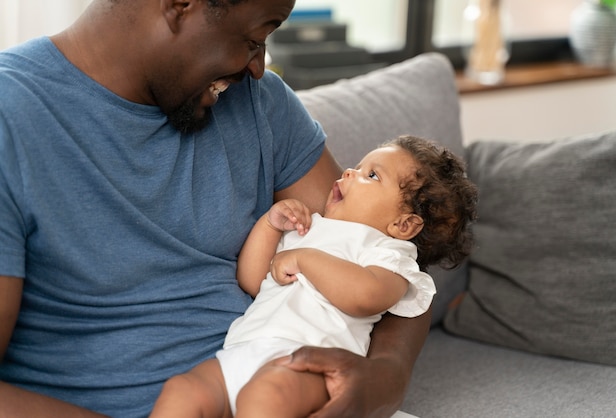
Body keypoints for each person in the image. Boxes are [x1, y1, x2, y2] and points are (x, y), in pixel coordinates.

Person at [0, 1, 438, 417]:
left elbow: (383, 251)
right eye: (252, 40)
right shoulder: (13, 117)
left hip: (277, 387)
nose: (258, 67)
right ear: (180, 5)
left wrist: (386, 377)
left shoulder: (260, 102)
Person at [150, 135, 478, 418]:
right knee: (184, 390)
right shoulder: (310, 228)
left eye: (372, 175)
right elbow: (252, 280)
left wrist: (305, 259)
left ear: (404, 225)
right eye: (359, 166)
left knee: (265, 397)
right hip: (244, 350)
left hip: (308, 364)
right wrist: (270, 225)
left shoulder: (387, 253)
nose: (350, 172)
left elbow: (367, 296)